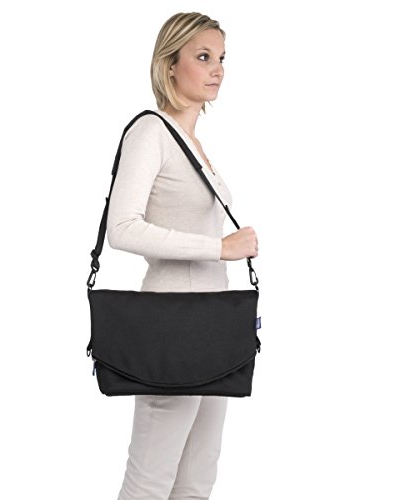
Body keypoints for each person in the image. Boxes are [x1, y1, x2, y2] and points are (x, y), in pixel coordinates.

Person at [106, 11, 259, 500]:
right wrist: (219, 247)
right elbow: (121, 228)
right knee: (150, 479)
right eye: (203, 56)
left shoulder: (193, 142)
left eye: (222, 58)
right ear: (169, 64)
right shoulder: (151, 132)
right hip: (173, 325)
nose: (217, 69)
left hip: (214, 324)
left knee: (197, 478)